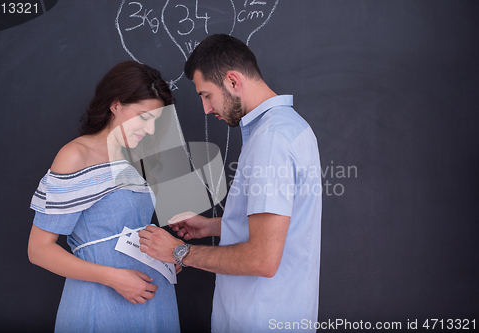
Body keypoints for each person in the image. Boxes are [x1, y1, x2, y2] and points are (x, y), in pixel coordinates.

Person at [139, 34, 322, 332]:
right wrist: (211, 226)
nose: (206, 109)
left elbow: (261, 259)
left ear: (233, 81)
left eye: (206, 95)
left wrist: (178, 251)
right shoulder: (290, 128)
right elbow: (279, 226)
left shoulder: (271, 141)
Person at [27, 61, 181, 333]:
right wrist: (113, 278)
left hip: (154, 298)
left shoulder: (139, 157)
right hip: (102, 301)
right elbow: (39, 250)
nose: (150, 130)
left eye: (156, 122)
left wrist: (165, 254)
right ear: (116, 104)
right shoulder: (76, 156)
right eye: (143, 117)